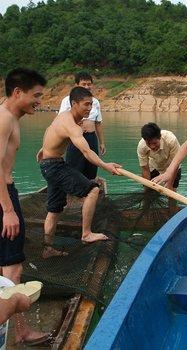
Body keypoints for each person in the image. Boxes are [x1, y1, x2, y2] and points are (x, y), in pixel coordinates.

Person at [37, 87, 121, 258]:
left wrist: (43, 150)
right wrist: (106, 166)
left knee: (54, 209)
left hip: (48, 164)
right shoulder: (70, 124)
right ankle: (86, 233)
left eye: (91, 104)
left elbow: (51, 132)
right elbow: (87, 152)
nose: (90, 108)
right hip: (55, 166)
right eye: (86, 104)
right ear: (73, 104)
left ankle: (47, 248)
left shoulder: (65, 119)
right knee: (93, 190)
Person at [0, 68, 50, 345]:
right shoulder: (5, 119)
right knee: (12, 270)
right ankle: (19, 333)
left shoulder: (10, 118)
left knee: (3, 267)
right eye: (36, 96)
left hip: (4, 194)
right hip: (3, 196)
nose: (39, 101)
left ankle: (16, 331)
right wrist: (7, 209)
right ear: (17, 92)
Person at [58, 72, 106, 180]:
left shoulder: (95, 102)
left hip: (91, 138)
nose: (87, 87)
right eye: (83, 84)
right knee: (74, 168)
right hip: (75, 139)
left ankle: (89, 192)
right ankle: (75, 194)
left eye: (89, 84)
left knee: (91, 168)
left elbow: (98, 123)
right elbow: (60, 121)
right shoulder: (67, 100)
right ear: (76, 85)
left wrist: (102, 143)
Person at [137, 123, 181, 191]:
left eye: (154, 143)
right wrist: (147, 188)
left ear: (159, 137)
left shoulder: (171, 140)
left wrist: (169, 185)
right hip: (154, 166)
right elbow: (145, 169)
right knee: (149, 191)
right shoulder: (142, 146)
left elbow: (175, 163)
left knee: (171, 191)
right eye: (148, 143)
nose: (152, 147)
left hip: (171, 166)